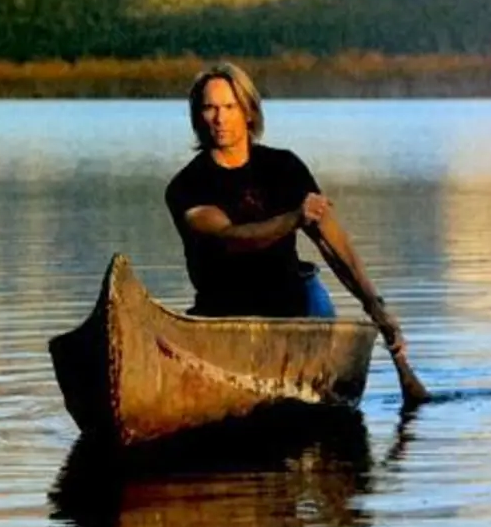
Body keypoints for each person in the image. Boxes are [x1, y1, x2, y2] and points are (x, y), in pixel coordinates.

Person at [163, 61, 413, 364]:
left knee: (313, 291)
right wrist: (293, 218)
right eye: (210, 108)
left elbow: (334, 247)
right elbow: (229, 239)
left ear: (249, 111)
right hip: (223, 317)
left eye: (230, 107)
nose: (219, 118)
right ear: (198, 116)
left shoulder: (284, 167)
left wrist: (375, 307)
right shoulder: (187, 186)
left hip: (290, 310)